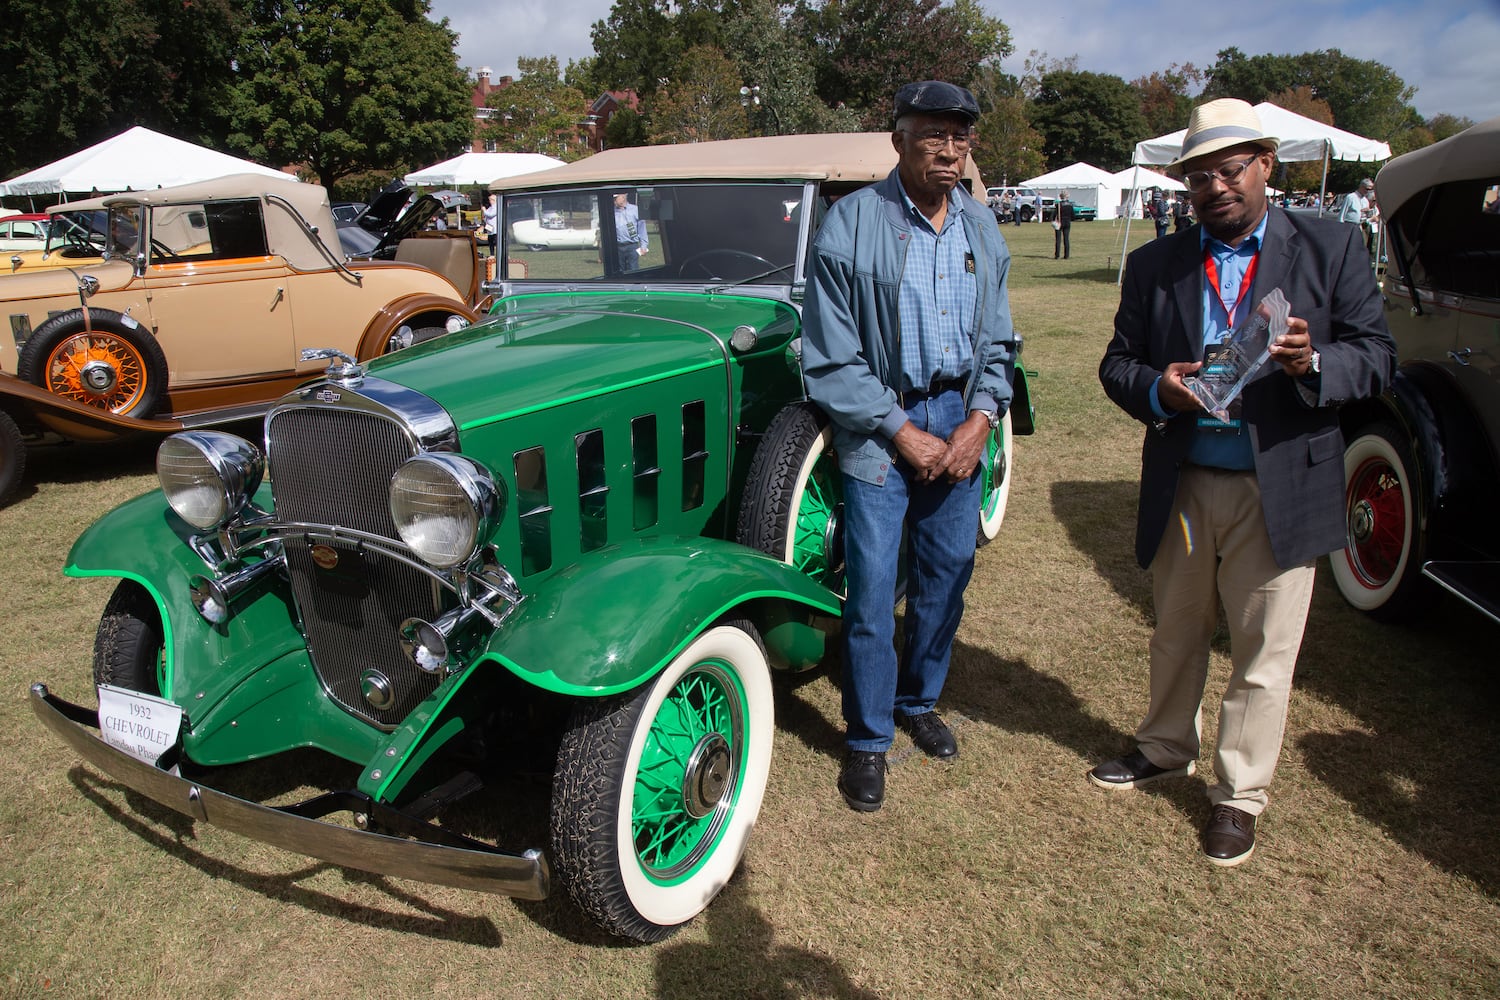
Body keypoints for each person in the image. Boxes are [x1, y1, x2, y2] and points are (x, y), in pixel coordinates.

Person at [1094, 98, 1395, 866]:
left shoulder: (1333, 246)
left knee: (1265, 649)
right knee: (1175, 628)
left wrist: (1314, 363)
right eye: (1199, 177)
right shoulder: (1156, 263)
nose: (1215, 188)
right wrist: (1159, 386)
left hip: (1280, 482)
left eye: (1229, 170)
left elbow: (1377, 358)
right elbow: (1117, 364)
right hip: (1188, 478)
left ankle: (1238, 794)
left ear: (1266, 164)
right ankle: (1165, 745)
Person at [801, 80, 1016, 812]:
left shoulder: (983, 230)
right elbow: (830, 358)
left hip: (959, 413)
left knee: (948, 571)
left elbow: (999, 343)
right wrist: (901, 432)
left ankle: (918, 699)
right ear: (898, 140)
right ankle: (868, 739)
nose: (950, 149)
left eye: (961, 135)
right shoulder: (852, 224)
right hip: (879, 423)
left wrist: (980, 418)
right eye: (934, 134)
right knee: (869, 587)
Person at [612, 191, 648, 272]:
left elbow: (642, 228)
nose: (613, 200)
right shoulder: (612, 212)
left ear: (623, 196)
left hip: (632, 246)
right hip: (617, 247)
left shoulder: (635, 209)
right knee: (619, 273)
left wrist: (644, 246)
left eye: (615, 198)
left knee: (633, 271)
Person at [1054, 189, 1074, 259]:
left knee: (1058, 239)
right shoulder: (1070, 204)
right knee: (1066, 239)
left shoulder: (1058, 204)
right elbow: (1073, 215)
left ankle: (1057, 255)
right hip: (1067, 222)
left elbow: (1054, 214)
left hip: (1060, 222)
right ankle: (1067, 255)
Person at [480, 192, 498, 257]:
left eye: (490, 200)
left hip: (495, 228)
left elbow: (490, 215)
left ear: (493, 200)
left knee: (496, 241)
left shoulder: (496, 207)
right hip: (490, 227)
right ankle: (492, 254)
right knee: (490, 241)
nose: (489, 201)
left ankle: (500, 254)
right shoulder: (490, 207)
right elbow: (486, 215)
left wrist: (484, 210)